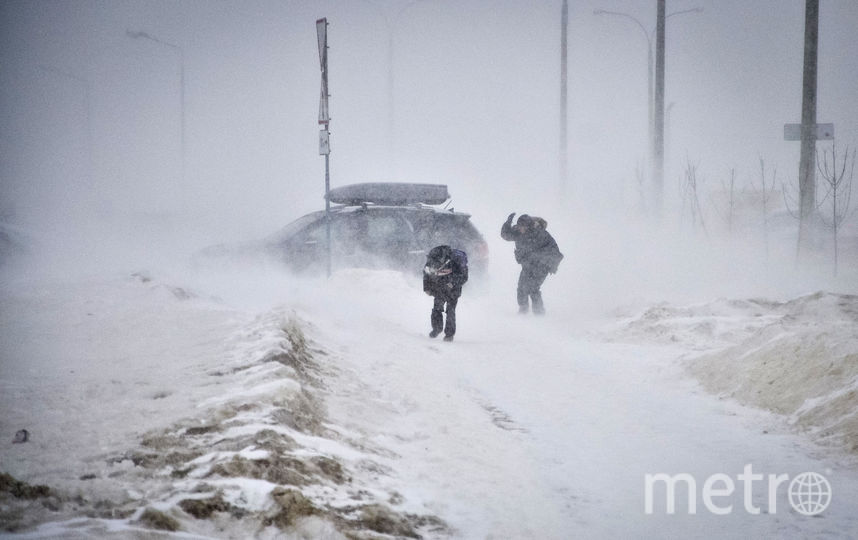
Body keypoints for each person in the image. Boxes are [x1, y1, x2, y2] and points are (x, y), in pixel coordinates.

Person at [500, 213, 563, 314]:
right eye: (519, 226)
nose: (520, 229)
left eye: (523, 227)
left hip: (542, 266)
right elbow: (506, 235)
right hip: (528, 265)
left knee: (533, 288)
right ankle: (523, 309)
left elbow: (554, 251)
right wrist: (507, 223)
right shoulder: (519, 233)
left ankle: (539, 313)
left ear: (528, 226)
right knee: (521, 287)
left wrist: (549, 264)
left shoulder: (540, 234)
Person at [423, 245, 469, 342]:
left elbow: (464, 277)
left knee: (450, 311)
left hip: (453, 289)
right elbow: (426, 274)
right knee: (437, 308)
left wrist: (452, 284)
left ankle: (449, 335)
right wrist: (426, 288)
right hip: (439, 287)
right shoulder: (432, 259)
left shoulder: (455, 260)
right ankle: (436, 329)